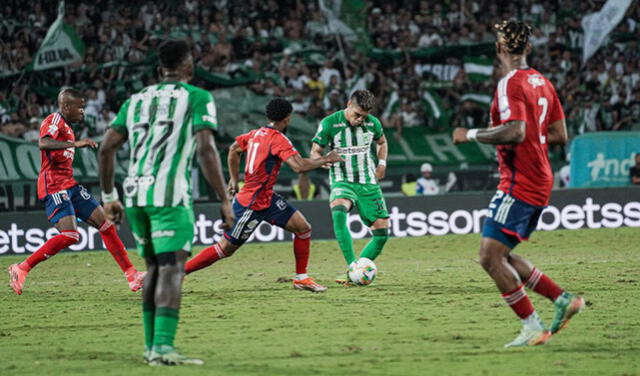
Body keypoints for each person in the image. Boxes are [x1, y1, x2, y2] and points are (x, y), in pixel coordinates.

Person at [98, 40, 234, 366]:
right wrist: (225, 199)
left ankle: (151, 348)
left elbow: (105, 149)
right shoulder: (198, 97)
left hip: (135, 196)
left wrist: (109, 197)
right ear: (189, 68)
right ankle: (163, 347)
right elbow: (206, 149)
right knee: (172, 269)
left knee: (154, 269)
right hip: (169, 196)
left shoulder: (135, 101)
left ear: (160, 70)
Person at [452, 20, 584, 348]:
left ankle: (532, 326)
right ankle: (563, 299)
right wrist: (529, 142)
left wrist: (469, 135)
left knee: (489, 257)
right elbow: (558, 135)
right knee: (502, 254)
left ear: (499, 48)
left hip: (520, 181)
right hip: (540, 178)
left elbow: (517, 131)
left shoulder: (509, 83)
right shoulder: (542, 81)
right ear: (528, 48)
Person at [185, 98, 342, 292]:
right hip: (251, 203)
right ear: (287, 119)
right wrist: (328, 158)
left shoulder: (255, 133)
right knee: (225, 248)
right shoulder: (278, 139)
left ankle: (301, 278)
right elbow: (298, 166)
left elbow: (234, 149)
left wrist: (234, 179)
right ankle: (179, 273)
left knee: (303, 229)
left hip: (267, 198)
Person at [7, 88, 145, 295]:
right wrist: (75, 143)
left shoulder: (69, 127)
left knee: (106, 224)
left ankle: (132, 275)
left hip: (69, 185)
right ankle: (22, 268)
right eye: (79, 107)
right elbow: (43, 142)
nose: (82, 112)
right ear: (66, 106)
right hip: (53, 185)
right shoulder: (54, 120)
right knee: (71, 235)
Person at [310, 89, 390, 285]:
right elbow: (315, 150)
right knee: (338, 210)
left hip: (368, 182)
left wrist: (382, 164)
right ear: (348, 104)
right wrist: (322, 160)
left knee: (381, 234)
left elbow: (382, 142)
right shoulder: (330, 123)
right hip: (342, 179)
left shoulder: (373, 123)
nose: (360, 119)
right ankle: (353, 267)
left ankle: (353, 275)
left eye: (364, 116)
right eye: (357, 115)